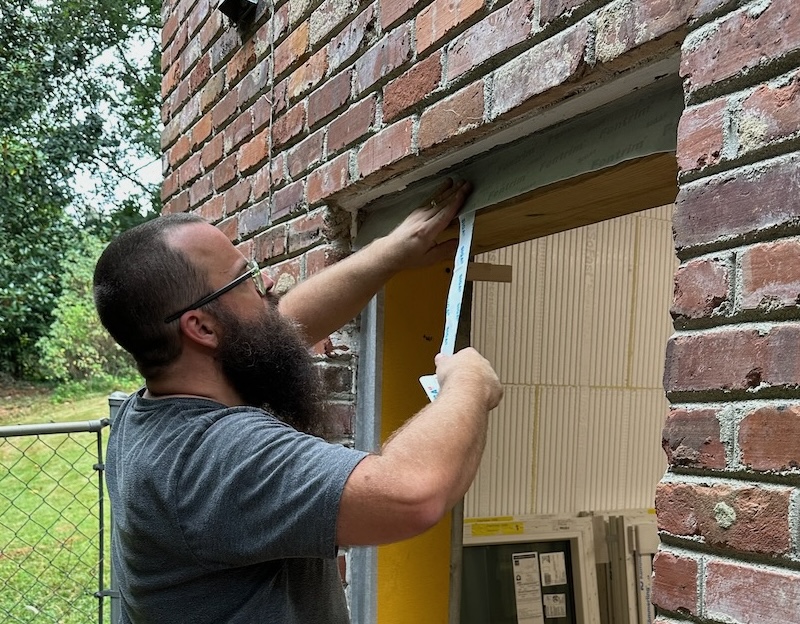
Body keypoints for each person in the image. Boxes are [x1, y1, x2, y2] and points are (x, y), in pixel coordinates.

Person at [93, 178, 503, 623]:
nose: (266, 281)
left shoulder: (150, 411)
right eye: (245, 278)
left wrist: (391, 252)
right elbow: (411, 494)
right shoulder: (212, 455)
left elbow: (279, 324)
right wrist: (468, 385)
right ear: (202, 329)